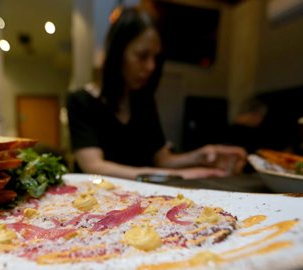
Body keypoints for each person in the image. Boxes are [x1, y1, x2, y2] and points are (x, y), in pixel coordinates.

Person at [66, 6, 247, 180]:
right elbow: (94, 166)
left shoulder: (143, 101)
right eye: (142, 56)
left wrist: (204, 155)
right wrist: (170, 175)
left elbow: (163, 160)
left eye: (155, 57)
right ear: (118, 53)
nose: (151, 66)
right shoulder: (81, 101)